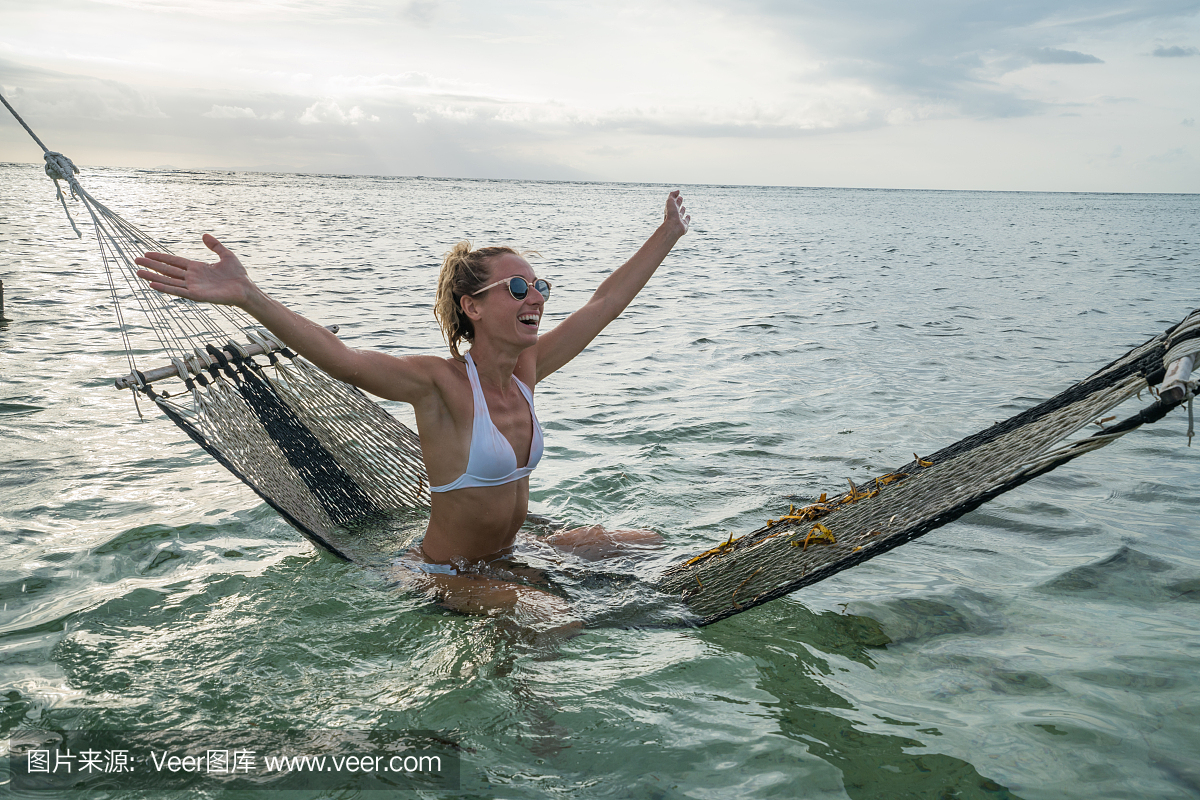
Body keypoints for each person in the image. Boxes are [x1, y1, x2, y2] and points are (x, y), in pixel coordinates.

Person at [135, 191, 690, 630]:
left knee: (646, 544)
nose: (535, 297)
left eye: (539, 285)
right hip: (442, 572)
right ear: (472, 306)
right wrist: (247, 295)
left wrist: (666, 234)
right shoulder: (440, 383)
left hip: (509, 553)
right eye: (517, 287)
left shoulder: (526, 371)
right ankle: (536, 728)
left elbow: (604, 302)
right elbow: (344, 361)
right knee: (553, 614)